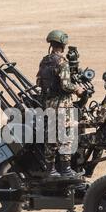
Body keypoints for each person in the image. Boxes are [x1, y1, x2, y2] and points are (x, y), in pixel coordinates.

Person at [36, 30, 84, 178]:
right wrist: (77, 89)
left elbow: (38, 82)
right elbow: (65, 85)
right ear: (62, 45)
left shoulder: (44, 61)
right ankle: (66, 169)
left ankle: (50, 170)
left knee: (51, 137)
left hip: (49, 104)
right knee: (66, 136)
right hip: (63, 105)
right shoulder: (62, 62)